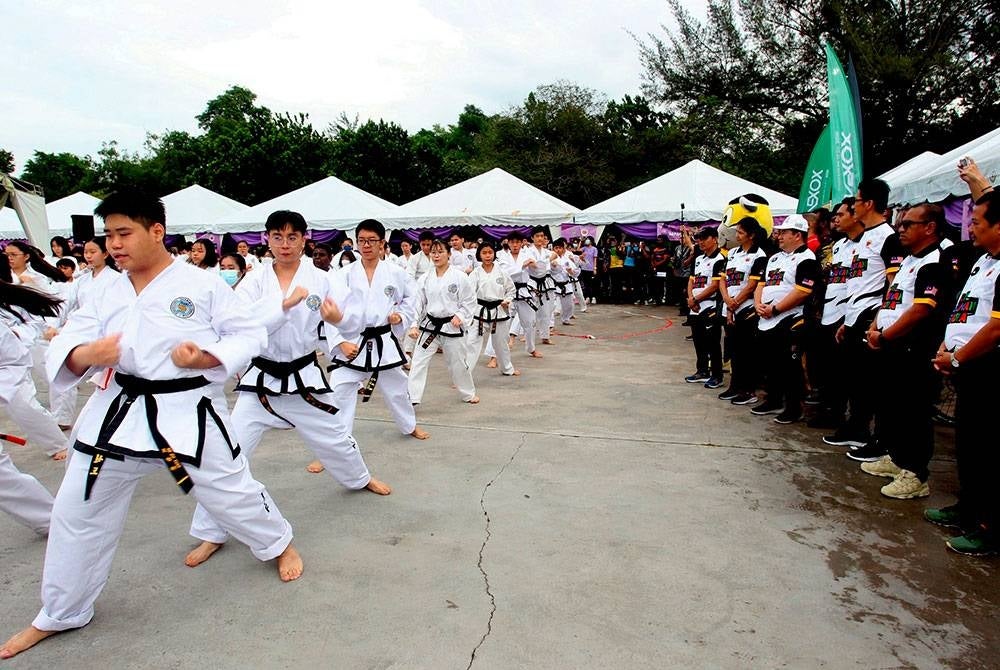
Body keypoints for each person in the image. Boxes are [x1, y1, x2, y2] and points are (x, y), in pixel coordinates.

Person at [0, 190, 302, 661]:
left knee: (230, 493)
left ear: (156, 232)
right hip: (118, 411)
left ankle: (277, 541)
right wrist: (86, 355)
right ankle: (62, 611)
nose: (114, 244)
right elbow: (75, 338)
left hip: (186, 410)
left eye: (124, 233)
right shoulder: (104, 287)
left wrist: (205, 357)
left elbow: (247, 333)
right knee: (76, 510)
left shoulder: (201, 284)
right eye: (108, 235)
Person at [186, 210, 390, 568]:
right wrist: (282, 306)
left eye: (292, 237)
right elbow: (243, 325)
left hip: (304, 377)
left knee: (335, 437)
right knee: (228, 455)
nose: (285, 244)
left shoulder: (322, 278)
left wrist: (338, 324)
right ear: (267, 239)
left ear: (304, 239)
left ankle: (358, 478)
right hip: (260, 384)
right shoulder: (253, 282)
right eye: (277, 237)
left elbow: (350, 319)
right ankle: (210, 532)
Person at [927, 184, 1000, 556]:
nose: (971, 227)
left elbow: (996, 327)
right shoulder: (984, 261)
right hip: (964, 364)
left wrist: (957, 357)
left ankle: (988, 527)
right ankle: (967, 508)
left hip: (989, 370)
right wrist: (947, 347)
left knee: (987, 450)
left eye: (978, 221)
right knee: (968, 446)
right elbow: (965, 311)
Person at [860, 204, 950, 499]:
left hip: (913, 348)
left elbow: (921, 309)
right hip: (890, 345)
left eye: (908, 223)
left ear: (930, 228)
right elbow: (892, 300)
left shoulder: (935, 262)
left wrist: (885, 336)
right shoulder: (910, 260)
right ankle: (897, 459)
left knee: (915, 410)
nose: (901, 228)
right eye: (900, 222)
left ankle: (916, 473)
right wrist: (875, 328)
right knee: (893, 405)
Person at [324, 218, 429, 449]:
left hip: (383, 340)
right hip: (352, 339)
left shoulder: (396, 273)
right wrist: (340, 341)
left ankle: (409, 425)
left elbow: (412, 299)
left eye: (372, 240)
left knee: (398, 388)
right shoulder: (343, 274)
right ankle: (336, 445)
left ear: (382, 243)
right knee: (339, 392)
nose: (366, 245)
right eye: (362, 240)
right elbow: (330, 309)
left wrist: (400, 315)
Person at [825, 179, 904, 454]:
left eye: (856, 202)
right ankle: (853, 426)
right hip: (854, 313)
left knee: (867, 381)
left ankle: (867, 434)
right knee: (852, 378)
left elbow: (894, 284)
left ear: (869, 204)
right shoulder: (861, 239)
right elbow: (856, 282)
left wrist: (877, 319)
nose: (853, 207)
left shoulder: (888, 237)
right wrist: (847, 320)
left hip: (872, 315)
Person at [750, 215, 821, 424]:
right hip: (766, 319)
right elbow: (761, 284)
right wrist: (758, 305)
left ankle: (793, 407)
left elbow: (802, 291)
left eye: (784, 232)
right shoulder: (774, 258)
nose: (779, 236)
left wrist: (776, 308)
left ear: (797, 235)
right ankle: (773, 400)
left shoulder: (806, 258)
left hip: (790, 318)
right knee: (770, 364)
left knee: (789, 367)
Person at [407, 238, 478, 405]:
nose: (436, 255)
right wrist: (413, 324)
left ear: (448, 254)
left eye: (440, 252)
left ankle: (468, 393)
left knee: (458, 363)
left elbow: (469, 300)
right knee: (418, 361)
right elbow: (418, 303)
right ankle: (412, 397)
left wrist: (460, 316)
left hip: (451, 325)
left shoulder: (460, 277)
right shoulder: (425, 278)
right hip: (430, 325)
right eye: (433, 252)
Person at [807, 198, 858, 430]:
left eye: (841, 214)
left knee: (844, 372)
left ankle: (846, 419)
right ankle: (829, 410)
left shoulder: (872, 243)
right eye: (833, 215)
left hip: (849, 315)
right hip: (826, 310)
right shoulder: (835, 246)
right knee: (825, 367)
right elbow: (824, 278)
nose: (836, 219)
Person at [718, 218, 769, 404]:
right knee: (733, 350)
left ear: (751, 235)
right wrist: (727, 302)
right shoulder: (732, 253)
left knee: (747, 351)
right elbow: (723, 279)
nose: (737, 235)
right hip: (729, 307)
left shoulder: (759, 255)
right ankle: (735, 386)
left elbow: (752, 284)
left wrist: (735, 303)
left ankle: (748, 390)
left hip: (746, 309)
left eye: (740, 232)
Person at [466, 241, 518, 376]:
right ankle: (464, 375)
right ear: (479, 255)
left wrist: (507, 300)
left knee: (501, 343)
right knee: (472, 343)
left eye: (490, 252)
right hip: (480, 311)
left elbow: (511, 290)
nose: (487, 255)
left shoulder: (502, 272)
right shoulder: (475, 273)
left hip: (499, 310)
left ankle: (507, 368)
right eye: (484, 253)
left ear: (494, 254)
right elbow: (469, 294)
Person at [684, 227, 726, 388]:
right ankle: (702, 370)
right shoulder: (699, 259)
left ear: (714, 239)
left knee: (713, 343)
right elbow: (691, 280)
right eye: (699, 239)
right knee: (698, 340)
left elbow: (715, 285)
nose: (700, 242)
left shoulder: (720, 259)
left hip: (711, 306)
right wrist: (690, 299)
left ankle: (717, 375)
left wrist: (696, 299)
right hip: (695, 307)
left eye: (704, 238)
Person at [551, 238, 580, 326]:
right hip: (554, 286)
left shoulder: (567, 260)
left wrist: (571, 272)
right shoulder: (550, 259)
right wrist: (553, 265)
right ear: (553, 249)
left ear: (563, 249)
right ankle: (550, 325)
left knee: (569, 305)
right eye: (556, 248)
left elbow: (575, 273)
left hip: (566, 285)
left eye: (560, 248)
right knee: (551, 306)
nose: (558, 250)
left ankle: (566, 319)